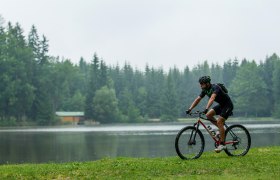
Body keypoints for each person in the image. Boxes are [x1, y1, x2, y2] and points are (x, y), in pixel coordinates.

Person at [185, 76, 234, 153]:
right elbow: (197, 99)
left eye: (202, 84)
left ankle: (222, 144)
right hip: (221, 105)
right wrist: (190, 109)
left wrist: (206, 108)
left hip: (228, 105)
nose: (200, 85)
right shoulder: (205, 90)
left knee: (219, 121)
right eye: (200, 84)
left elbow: (212, 98)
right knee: (208, 115)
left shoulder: (215, 87)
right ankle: (221, 130)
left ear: (207, 83)